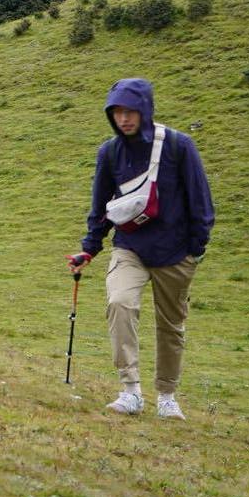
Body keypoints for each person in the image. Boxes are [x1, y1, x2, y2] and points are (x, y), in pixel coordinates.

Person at [67, 77, 214, 418]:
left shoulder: (179, 146)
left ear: (145, 110)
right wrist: (89, 248)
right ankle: (130, 390)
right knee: (119, 302)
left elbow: (201, 201)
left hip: (176, 253)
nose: (124, 118)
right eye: (117, 111)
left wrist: (196, 248)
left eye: (131, 110)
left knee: (171, 326)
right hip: (129, 247)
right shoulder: (110, 152)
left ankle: (167, 396)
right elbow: (100, 204)